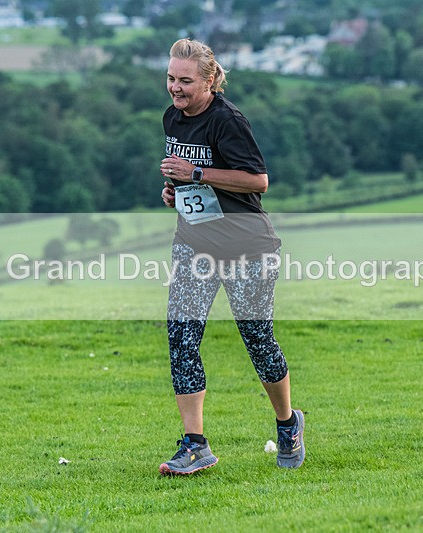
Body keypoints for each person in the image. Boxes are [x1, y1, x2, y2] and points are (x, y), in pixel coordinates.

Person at [158, 38, 304, 475]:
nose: (175, 89)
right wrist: (176, 192)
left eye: (185, 81)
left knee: (258, 343)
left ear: (209, 81)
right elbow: (191, 182)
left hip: (247, 249)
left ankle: (287, 423)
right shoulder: (172, 118)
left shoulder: (228, 121)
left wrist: (195, 173)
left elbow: (257, 180)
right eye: (170, 78)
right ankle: (195, 444)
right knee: (181, 338)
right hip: (194, 244)